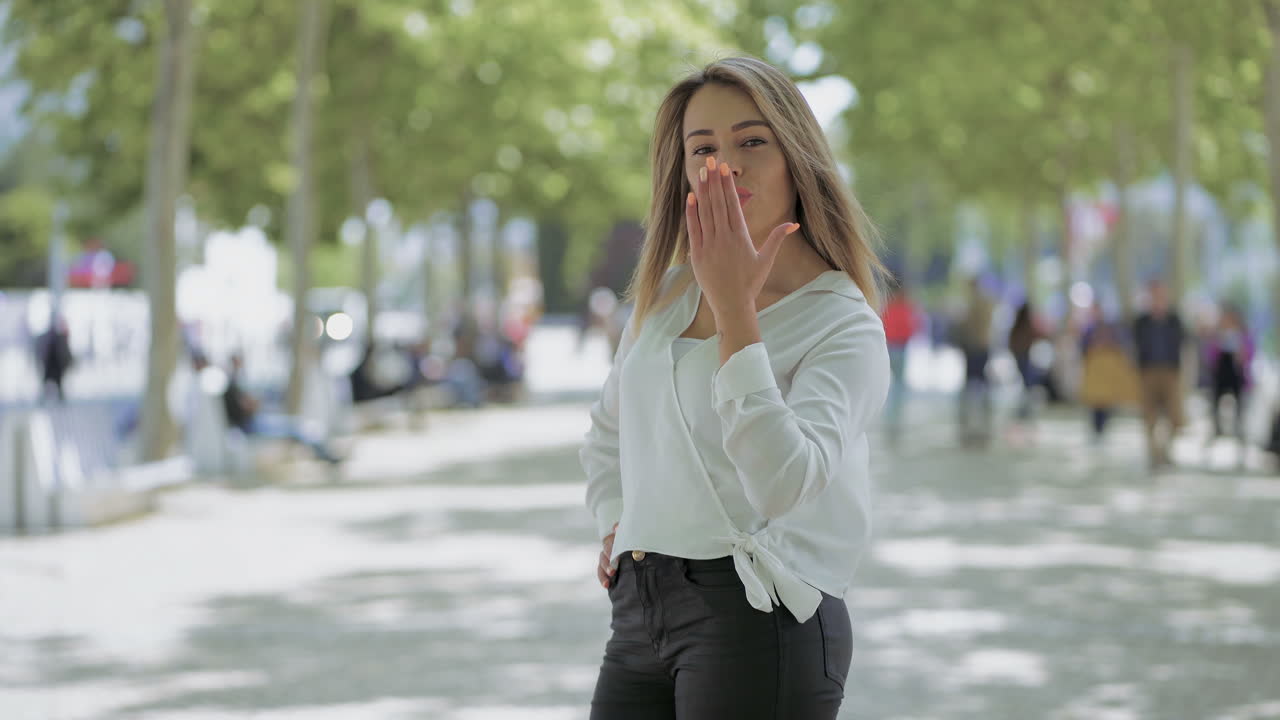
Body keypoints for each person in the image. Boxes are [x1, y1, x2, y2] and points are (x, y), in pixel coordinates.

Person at [581, 56, 889, 719]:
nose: (726, 166)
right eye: (704, 149)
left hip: (757, 613)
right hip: (639, 609)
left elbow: (786, 481)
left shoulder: (841, 320)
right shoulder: (664, 295)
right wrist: (617, 517)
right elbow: (610, 433)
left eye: (752, 141)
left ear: (796, 155)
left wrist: (736, 316)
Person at [222, 354, 342, 464]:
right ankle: (324, 453)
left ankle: (323, 451)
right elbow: (247, 408)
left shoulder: (235, 383)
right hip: (249, 425)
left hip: (253, 422)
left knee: (297, 426)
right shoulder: (231, 386)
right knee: (296, 427)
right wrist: (253, 404)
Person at [1132, 281, 1186, 470]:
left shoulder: (1174, 320)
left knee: (1175, 417)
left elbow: (1183, 343)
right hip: (1148, 372)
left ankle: (1166, 451)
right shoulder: (1141, 321)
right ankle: (1154, 455)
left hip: (1170, 372)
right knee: (1149, 416)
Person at [1078, 305, 1138, 443]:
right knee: (1095, 402)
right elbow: (1083, 348)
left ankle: (1102, 428)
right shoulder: (1089, 330)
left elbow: (1121, 346)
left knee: (1106, 402)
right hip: (1094, 372)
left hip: (1107, 373)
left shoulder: (1112, 329)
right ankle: (1096, 429)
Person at [1203, 304, 1254, 452]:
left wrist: (1242, 354)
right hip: (1221, 374)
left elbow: (1250, 354)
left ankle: (1240, 432)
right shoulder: (1217, 335)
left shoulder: (1243, 335)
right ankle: (1216, 430)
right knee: (1215, 403)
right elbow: (1209, 356)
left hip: (1237, 373)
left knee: (1239, 406)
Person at [956, 275, 994, 446]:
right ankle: (982, 407)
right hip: (981, 345)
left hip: (975, 346)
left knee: (973, 379)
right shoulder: (985, 303)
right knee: (980, 379)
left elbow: (970, 326)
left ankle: (975, 409)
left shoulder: (974, 304)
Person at [881, 282, 921, 441]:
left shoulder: (888, 307)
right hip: (900, 347)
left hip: (890, 347)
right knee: (899, 383)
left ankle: (891, 414)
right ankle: (895, 414)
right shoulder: (905, 308)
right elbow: (911, 327)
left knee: (892, 382)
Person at [1006, 301, 1043, 422]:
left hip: (1020, 356)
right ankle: (1025, 408)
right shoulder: (1026, 325)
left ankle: (1024, 408)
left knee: (1025, 383)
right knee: (1027, 383)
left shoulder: (1017, 325)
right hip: (1024, 356)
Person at [36, 315, 73, 404]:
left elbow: (64, 353)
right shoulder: (54, 337)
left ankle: (60, 402)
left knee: (57, 384)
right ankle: (45, 401)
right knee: (48, 383)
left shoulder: (60, 337)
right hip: (51, 365)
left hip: (55, 366)